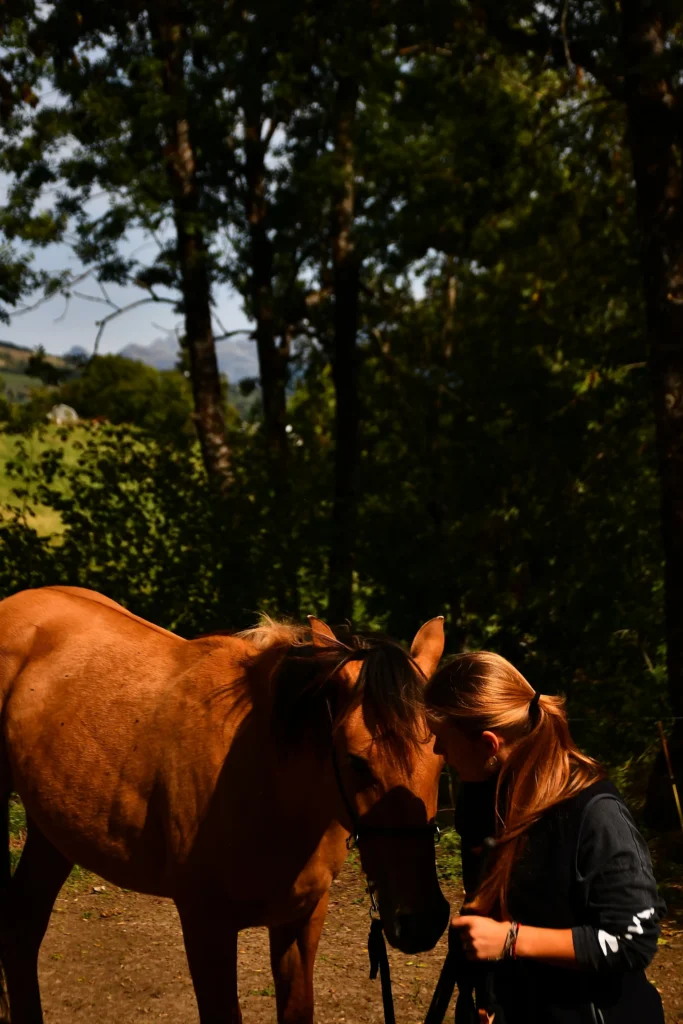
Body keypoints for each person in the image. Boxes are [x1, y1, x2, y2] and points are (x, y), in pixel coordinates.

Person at [424, 651, 666, 1024]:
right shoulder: (484, 798)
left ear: (489, 745)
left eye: (441, 739)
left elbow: (633, 940)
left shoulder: (593, 812)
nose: (438, 752)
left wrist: (511, 941)